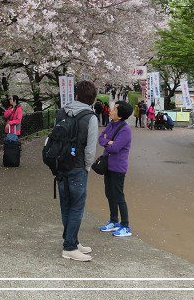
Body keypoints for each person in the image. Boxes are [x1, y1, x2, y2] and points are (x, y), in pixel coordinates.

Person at [55, 80, 99, 262]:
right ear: (92, 99)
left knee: (66, 204)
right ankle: (70, 247)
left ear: (76, 95)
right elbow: (90, 149)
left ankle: (72, 240)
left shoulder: (61, 112)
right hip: (78, 166)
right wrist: (87, 166)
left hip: (60, 165)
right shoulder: (90, 118)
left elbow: (55, 138)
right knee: (77, 207)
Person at [98, 101, 134, 238]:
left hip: (118, 167)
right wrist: (108, 141)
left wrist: (108, 142)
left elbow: (115, 147)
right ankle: (114, 221)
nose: (111, 110)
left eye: (114, 109)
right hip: (108, 165)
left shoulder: (125, 129)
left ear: (120, 115)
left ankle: (125, 225)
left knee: (118, 196)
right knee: (109, 193)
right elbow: (101, 139)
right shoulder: (111, 124)